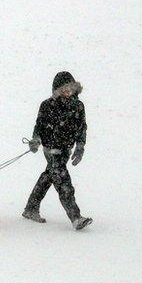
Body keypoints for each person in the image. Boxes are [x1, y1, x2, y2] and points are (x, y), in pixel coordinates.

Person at [22, 71, 92, 231]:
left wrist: (80, 147)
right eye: (64, 88)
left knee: (49, 176)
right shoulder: (47, 105)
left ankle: (30, 209)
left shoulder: (79, 106)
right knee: (62, 179)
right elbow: (38, 127)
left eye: (70, 87)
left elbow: (82, 128)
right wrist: (35, 140)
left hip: (66, 149)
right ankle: (76, 217)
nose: (68, 91)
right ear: (57, 90)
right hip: (50, 149)